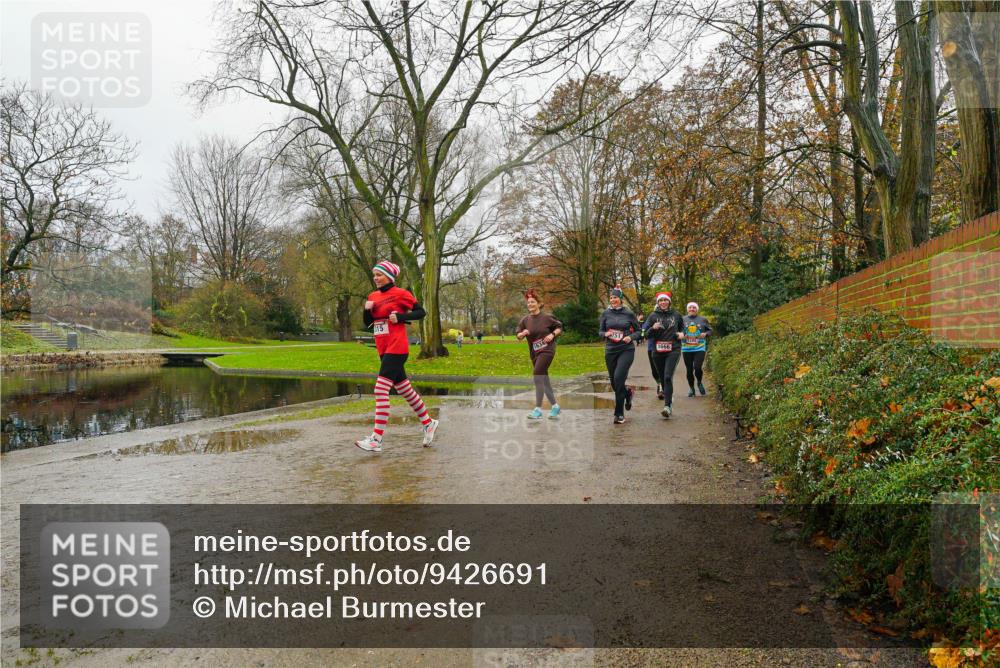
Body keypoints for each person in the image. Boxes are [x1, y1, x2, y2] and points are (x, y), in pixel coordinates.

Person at [355, 261, 439, 453]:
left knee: (380, 388)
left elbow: (421, 312)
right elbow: (369, 322)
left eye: (379, 275)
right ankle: (428, 422)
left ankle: (376, 439)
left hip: (397, 347)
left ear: (389, 276)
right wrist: (367, 309)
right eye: (374, 275)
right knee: (405, 390)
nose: (376, 278)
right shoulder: (373, 296)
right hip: (383, 348)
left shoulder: (401, 294)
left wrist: (400, 318)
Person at [516, 289, 563, 419]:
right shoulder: (525, 320)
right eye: (528, 302)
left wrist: (552, 334)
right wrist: (522, 334)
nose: (530, 304)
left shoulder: (547, 318)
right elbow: (518, 335)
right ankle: (555, 406)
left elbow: (559, 327)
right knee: (544, 379)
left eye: (532, 302)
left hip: (548, 350)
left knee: (537, 374)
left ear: (539, 303)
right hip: (534, 352)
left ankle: (538, 409)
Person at [599, 285, 641, 424]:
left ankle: (619, 414)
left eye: (615, 297)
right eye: (611, 297)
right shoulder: (605, 313)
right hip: (610, 350)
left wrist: (631, 337)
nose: (613, 300)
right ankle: (627, 394)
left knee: (618, 379)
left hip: (626, 349)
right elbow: (600, 332)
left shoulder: (628, 313)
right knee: (614, 382)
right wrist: (606, 334)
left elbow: (638, 331)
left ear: (620, 299)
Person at [644, 292, 684, 418]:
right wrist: (652, 328)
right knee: (662, 379)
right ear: (658, 303)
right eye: (660, 301)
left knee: (667, 377)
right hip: (657, 352)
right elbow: (645, 335)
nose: (663, 302)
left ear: (669, 302)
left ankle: (667, 406)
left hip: (674, 350)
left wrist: (682, 334)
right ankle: (669, 397)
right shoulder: (652, 316)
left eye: (665, 300)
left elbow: (684, 329)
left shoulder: (677, 315)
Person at [682, 302, 712, 396]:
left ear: (697, 309)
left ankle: (699, 382)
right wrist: (679, 335)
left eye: (694, 307)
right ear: (687, 309)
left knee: (698, 367)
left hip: (699, 348)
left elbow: (710, 330)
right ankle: (691, 388)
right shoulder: (682, 319)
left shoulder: (703, 319)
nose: (692, 309)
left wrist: (706, 334)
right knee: (689, 369)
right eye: (690, 307)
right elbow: (676, 331)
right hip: (686, 349)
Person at [641, 313, 663, 400]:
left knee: (665, 370)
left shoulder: (670, 318)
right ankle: (659, 383)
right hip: (652, 347)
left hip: (667, 347)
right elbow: (643, 329)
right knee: (654, 371)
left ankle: (663, 388)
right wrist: (643, 334)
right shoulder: (651, 318)